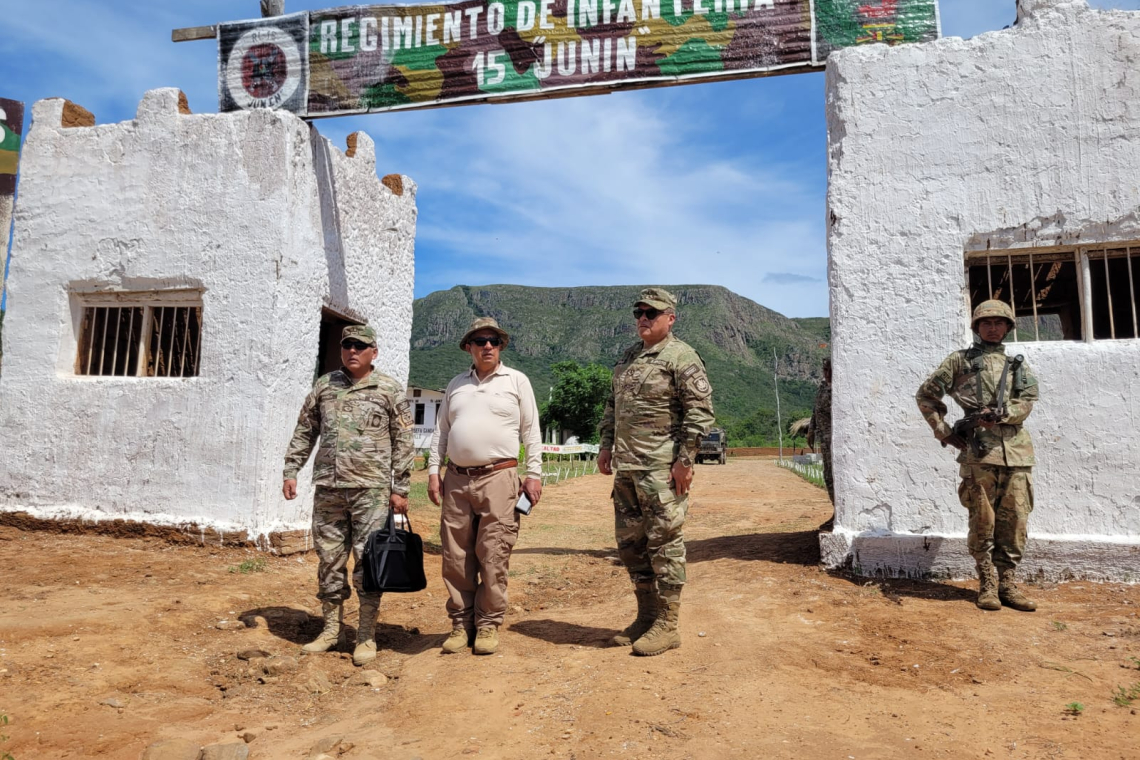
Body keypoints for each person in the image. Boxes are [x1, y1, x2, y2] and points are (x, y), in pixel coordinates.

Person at [283, 325, 415, 665]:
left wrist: (400, 488)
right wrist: (291, 470)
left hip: (371, 490)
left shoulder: (388, 389)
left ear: (374, 351)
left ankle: (366, 635)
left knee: (369, 561)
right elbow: (305, 429)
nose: (352, 351)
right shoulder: (325, 386)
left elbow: (403, 441)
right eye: (347, 345)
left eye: (360, 345)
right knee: (329, 560)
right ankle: (331, 630)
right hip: (329, 488)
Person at [598, 287, 715, 656]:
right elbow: (612, 405)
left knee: (665, 545)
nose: (643, 318)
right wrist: (605, 444)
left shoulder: (680, 356)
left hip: (661, 470)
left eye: (652, 312)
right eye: (639, 312)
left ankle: (668, 624)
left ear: (670, 318)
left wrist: (685, 461)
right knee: (632, 547)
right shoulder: (630, 356)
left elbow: (699, 413)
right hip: (628, 469)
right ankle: (646, 617)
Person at [428, 317, 543, 655]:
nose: (487, 346)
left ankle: (488, 624)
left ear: (501, 346)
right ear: (469, 347)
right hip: (457, 478)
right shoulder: (455, 385)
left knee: (493, 553)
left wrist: (534, 474)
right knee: (455, 556)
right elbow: (442, 432)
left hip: (500, 478)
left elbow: (531, 432)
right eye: (480, 341)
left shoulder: (517, 381)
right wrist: (434, 471)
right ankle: (461, 624)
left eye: (493, 340)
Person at [915, 300, 1039, 612]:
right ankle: (987, 583)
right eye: (987, 323)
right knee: (983, 521)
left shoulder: (1017, 365)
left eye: (999, 323)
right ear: (977, 327)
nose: (993, 328)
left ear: (1009, 327)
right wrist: (943, 431)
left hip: (1017, 453)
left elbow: (1027, 401)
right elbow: (926, 396)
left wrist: (1003, 414)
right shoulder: (959, 361)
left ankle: (1008, 583)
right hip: (979, 454)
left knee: (1016, 522)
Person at [808, 357, 835, 528]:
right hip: (824, 440)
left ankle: (839, 514)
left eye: (829, 370)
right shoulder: (823, 387)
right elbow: (816, 409)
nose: (826, 374)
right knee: (827, 476)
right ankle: (836, 511)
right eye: (825, 370)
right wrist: (811, 430)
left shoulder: (838, 390)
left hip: (835, 442)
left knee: (835, 477)